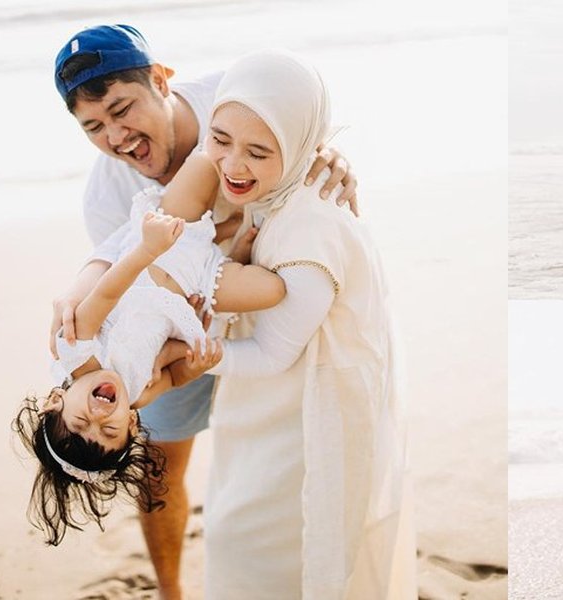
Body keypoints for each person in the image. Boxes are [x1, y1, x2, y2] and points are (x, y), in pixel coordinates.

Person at [48, 24, 356, 598]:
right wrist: (178, 354)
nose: (116, 137)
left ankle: (300, 562)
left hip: (243, 268)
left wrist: (320, 152)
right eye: (93, 126)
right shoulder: (107, 196)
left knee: (296, 434)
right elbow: (110, 266)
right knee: (160, 469)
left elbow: (301, 117)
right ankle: (170, 590)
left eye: (122, 109)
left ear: (161, 79)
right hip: (180, 317)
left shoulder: (235, 97)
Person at [198, 50, 414, 599]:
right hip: (265, 411)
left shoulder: (310, 225)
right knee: (235, 534)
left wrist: (195, 353)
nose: (233, 166)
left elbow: (273, 353)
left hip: (305, 416)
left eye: (258, 151)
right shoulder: (275, 194)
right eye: (220, 140)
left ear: (299, 147)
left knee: (249, 543)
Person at [14, 210, 233, 545]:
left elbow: (106, 293)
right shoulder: (138, 395)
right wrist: (197, 360)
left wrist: (147, 249)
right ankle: (238, 242)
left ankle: (225, 225)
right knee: (268, 291)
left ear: (56, 401)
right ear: (131, 423)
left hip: (149, 262)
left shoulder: (76, 349)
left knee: (196, 190)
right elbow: (173, 376)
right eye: (109, 430)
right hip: (187, 286)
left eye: (81, 422)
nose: (99, 417)